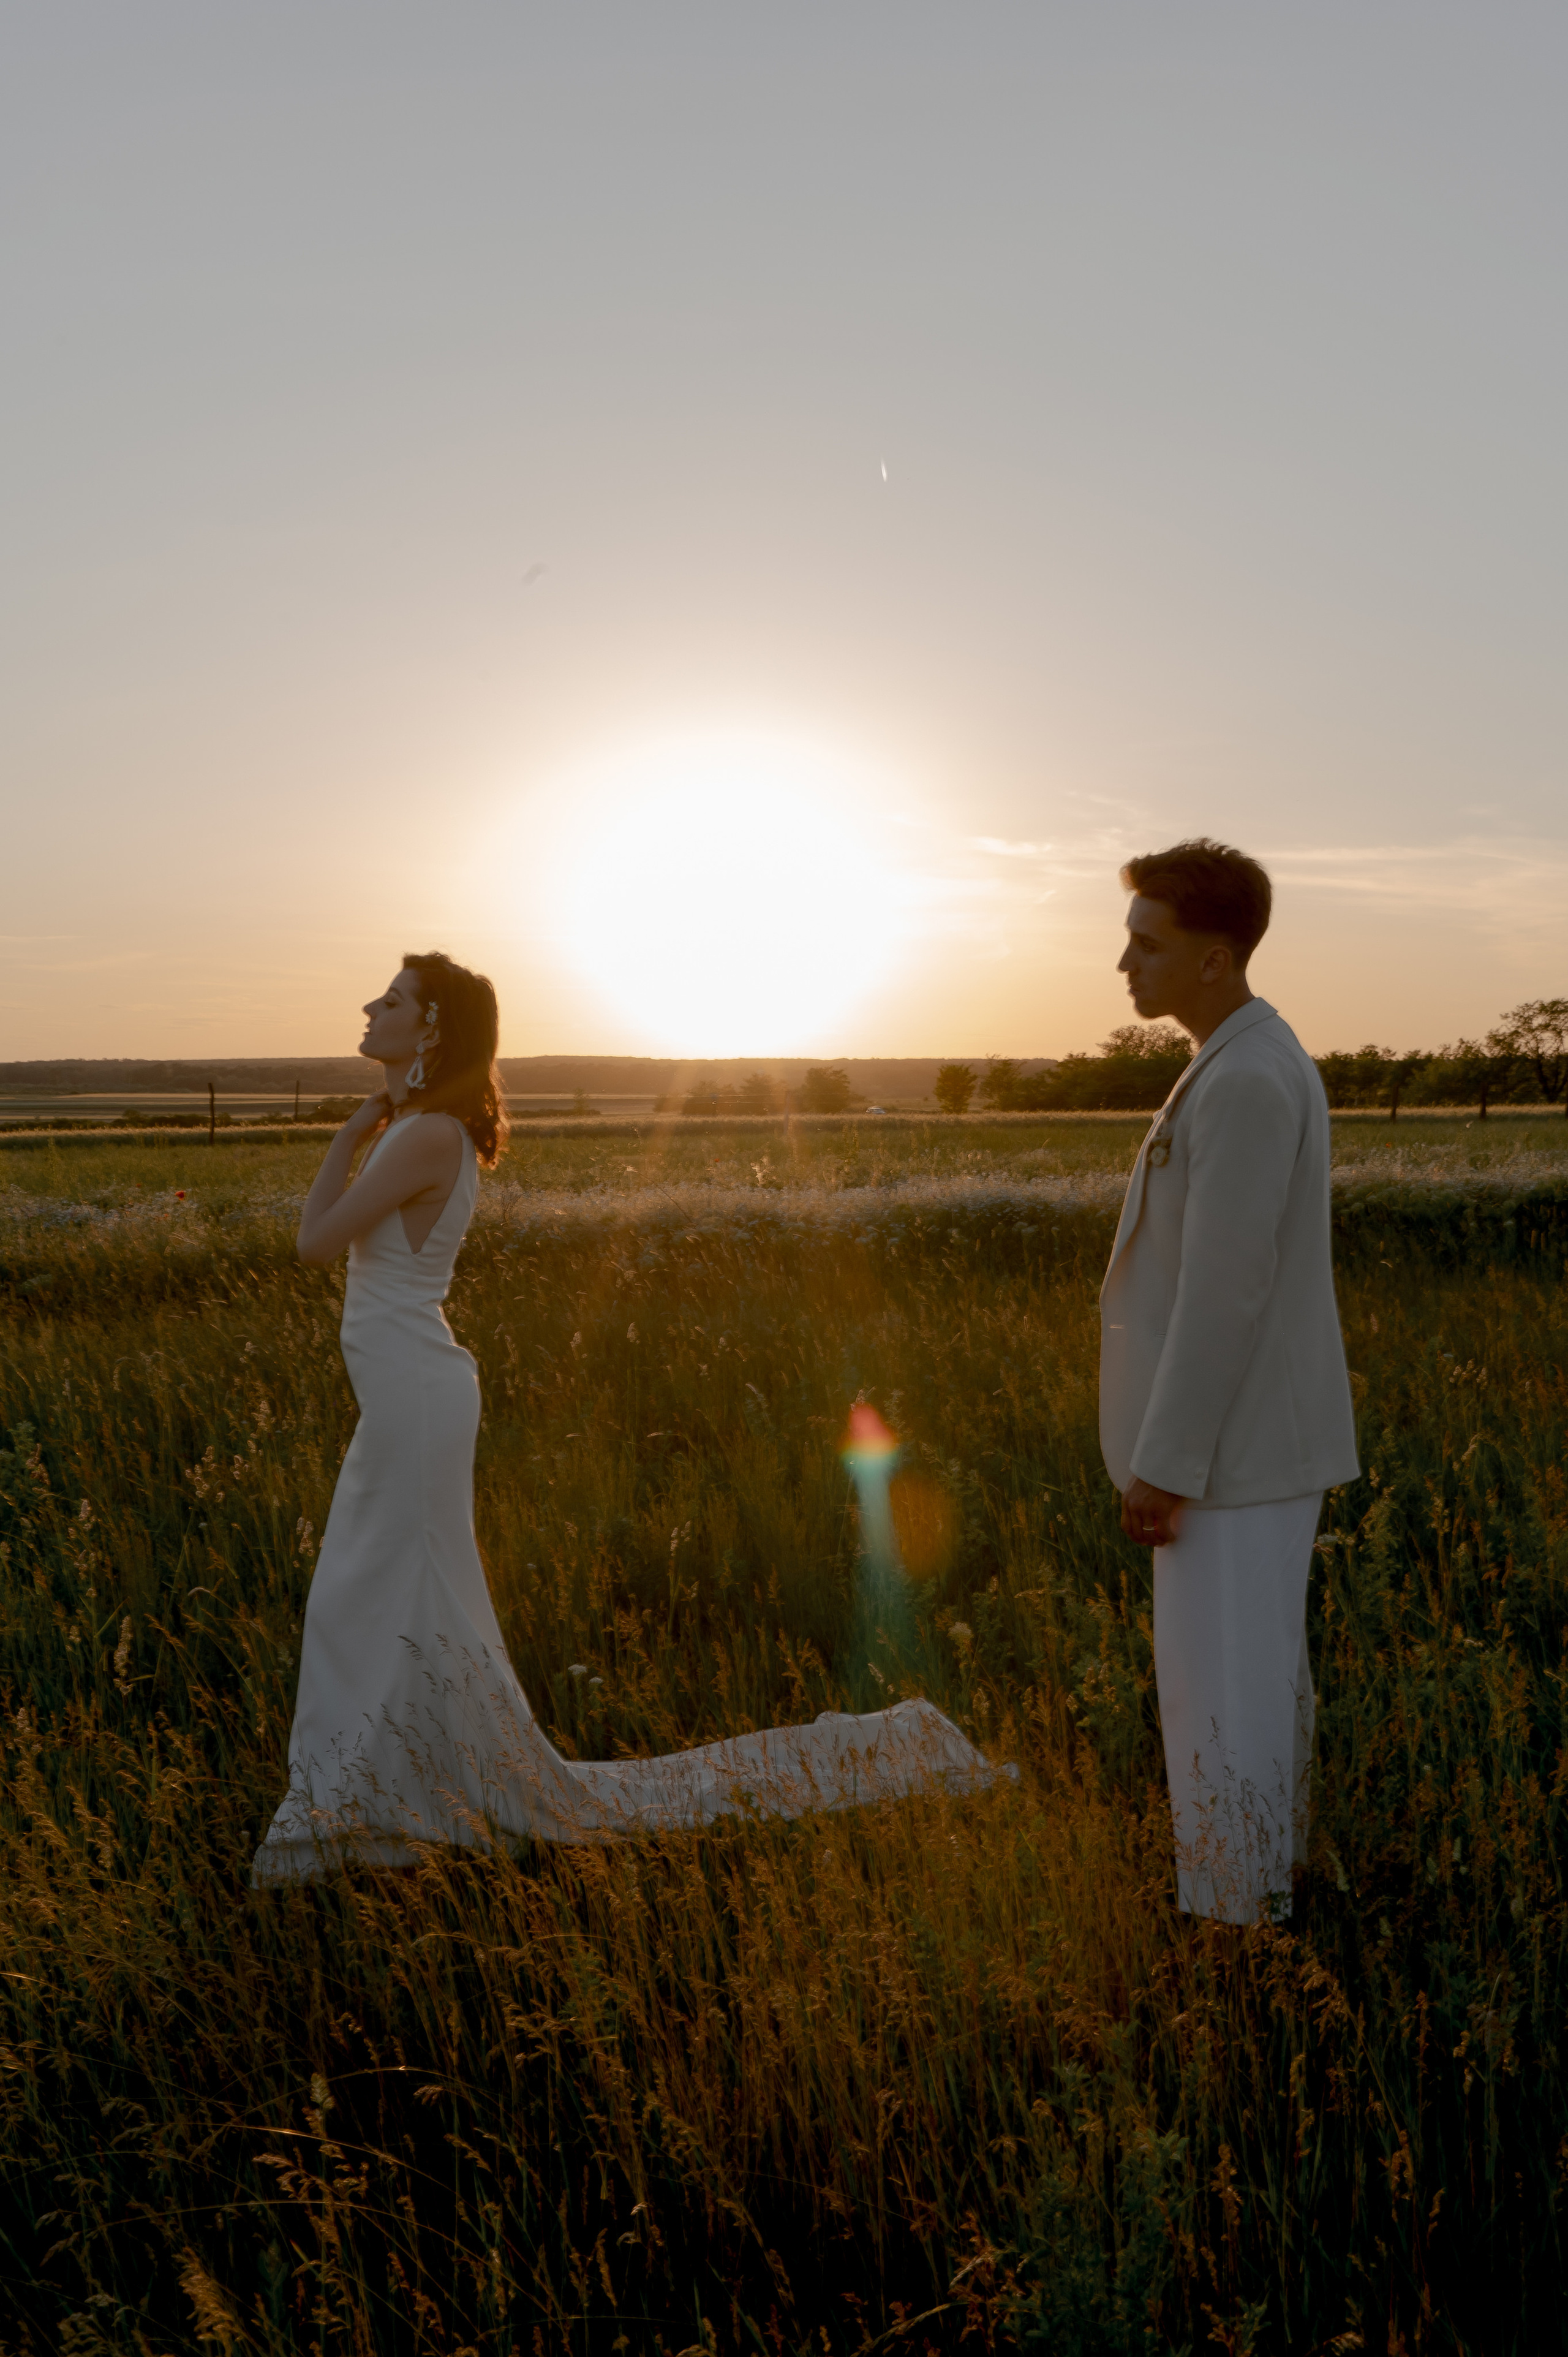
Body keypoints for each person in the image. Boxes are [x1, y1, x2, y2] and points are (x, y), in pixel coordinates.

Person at [252, 952, 994, 1883]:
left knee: (369, 1595)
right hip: (413, 1390)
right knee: (391, 1598)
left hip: (414, 1392)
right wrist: (362, 1126)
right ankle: (395, 1797)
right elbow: (323, 1245)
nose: (370, 1005)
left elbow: (313, 1246)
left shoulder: (426, 1134)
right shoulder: (424, 1129)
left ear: (432, 1026)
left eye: (393, 999)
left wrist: (346, 1139)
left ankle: (374, 1804)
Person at [1098, 841, 1359, 1924]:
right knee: (1244, 1686)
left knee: (1223, 1696)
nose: (1124, 964)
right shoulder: (1237, 1056)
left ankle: (1239, 1927)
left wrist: (1164, 1466)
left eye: (1147, 943)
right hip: (1240, 1449)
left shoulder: (1249, 1076)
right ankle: (1266, 1890)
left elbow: (1224, 1295)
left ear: (1216, 956)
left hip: (1231, 1456)